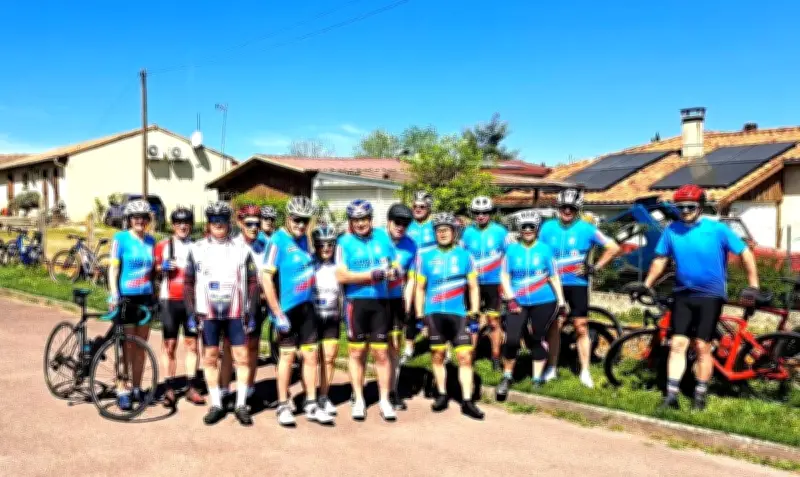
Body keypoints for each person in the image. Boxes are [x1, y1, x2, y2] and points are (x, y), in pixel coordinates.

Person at [642, 184, 759, 411]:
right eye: (680, 207)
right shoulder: (671, 230)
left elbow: (745, 252)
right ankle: (672, 396)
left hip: (710, 295)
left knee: (702, 345)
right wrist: (646, 284)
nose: (684, 211)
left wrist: (753, 284)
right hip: (682, 294)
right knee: (677, 343)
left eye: (690, 206)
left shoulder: (717, 229)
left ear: (700, 206)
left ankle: (700, 396)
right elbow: (660, 260)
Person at [183, 201, 259, 426]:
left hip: (236, 313)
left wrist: (252, 311)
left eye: (222, 220)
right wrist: (190, 312)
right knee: (210, 358)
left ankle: (241, 404)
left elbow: (253, 282)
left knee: (242, 358)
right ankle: (216, 403)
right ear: (208, 223)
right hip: (208, 314)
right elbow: (188, 282)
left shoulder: (241, 249)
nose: (218, 224)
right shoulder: (196, 248)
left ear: (228, 223)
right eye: (214, 220)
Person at [539, 188, 619, 388]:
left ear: (578, 209)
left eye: (572, 208)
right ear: (558, 208)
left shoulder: (587, 229)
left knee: (581, 326)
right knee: (554, 326)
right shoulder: (547, 227)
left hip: (577, 284)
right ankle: (551, 368)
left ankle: (584, 371)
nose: (567, 211)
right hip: (552, 284)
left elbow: (614, 247)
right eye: (564, 207)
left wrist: (594, 268)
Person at [263, 196, 332, 427]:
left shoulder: (305, 240)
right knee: (287, 357)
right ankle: (283, 405)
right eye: (296, 220)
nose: (301, 225)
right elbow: (265, 278)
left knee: (311, 356)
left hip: (307, 308)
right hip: (287, 310)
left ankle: (311, 403)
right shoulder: (277, 241)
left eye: (305, 221)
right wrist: (277, 312)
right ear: (287, 217)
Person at [415, 212, 484, 419]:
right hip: (434, 313)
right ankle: (442, 394)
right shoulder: (426, 257)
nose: (442, 233)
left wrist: (474, 311)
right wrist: (420, 316)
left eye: (446, 230)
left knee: (465, 356)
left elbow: (473, 286)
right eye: (438, 230)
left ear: (454, 232)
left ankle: (467, 400)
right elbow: (420, 288)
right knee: (437, 355)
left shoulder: (465, 256)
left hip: (459, 314)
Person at [336, 199, 400, 422]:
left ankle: (384, 400)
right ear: (350, 222)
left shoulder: (383, 237)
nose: (360, 223)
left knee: (382, 353)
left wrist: (393, 271)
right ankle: (359, 398)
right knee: (356, 353)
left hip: (381, 302)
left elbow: (395, 264)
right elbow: (341, 275)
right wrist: (371, 275)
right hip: (356, 303)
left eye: (364, 219)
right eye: (355, 220)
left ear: (370, 219)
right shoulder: (343, 242)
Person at [496, 211, 565, 399]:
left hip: (544, 300)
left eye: (531, 227)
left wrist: (561, 300)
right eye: (524, 227)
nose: (527, 230)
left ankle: (536, 378)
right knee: (511, 339)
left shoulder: (545, 249)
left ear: (537, 229)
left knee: (537, 337)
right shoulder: (511, 250)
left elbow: (553, 275)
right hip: (517, 301)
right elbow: (504, 276)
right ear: (519, 229)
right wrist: (511, 298)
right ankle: (507, 375)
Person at [107, 199, 157, 411]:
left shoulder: (151, 241)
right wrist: (113, 294)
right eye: (136, 217)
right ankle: (122, 388)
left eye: (143, 218)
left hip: (145, 298)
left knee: (141, 347)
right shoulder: (120, 239)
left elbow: (154, 271)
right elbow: (113, 269)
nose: (140, 221)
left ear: (148, 220)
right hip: (126, 297)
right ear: (129, 220)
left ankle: (137, 387)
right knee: (127, 347)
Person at [154, 207, 205, 408]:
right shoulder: (163, 245)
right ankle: (169, 388)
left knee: (192, 344)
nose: (182, 226)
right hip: (169, 301)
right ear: (173, 225)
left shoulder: (199, 246)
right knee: (170, 345)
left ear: (191, 225)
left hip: (191, 302)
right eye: (178, 223)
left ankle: (191, 386)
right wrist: (162, 268)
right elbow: (154, 269)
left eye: (186, 223)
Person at [460, 196, 512, 370]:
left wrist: (507, 281)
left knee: (493, 321)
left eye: (485, 212)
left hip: (493, 282)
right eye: (477, 213)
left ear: (490, 213)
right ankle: (471, 355)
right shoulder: (467, 232)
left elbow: (509, 256)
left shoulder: (500, 232)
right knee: (472, 320)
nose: (481, 216)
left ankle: (496, 357)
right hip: (472, 284)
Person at [231, 204, 271, 405]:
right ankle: (231, 390)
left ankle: (250, 388)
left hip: (257, 303)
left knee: (253, 346)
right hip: (236, 304)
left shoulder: (264, 246)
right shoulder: (232, 245)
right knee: (238, 349)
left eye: (257, 224)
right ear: (240, 223)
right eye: (249, 224)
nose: (254, 228)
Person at [383, 203, 417, 411]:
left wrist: (407, 303)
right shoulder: (376, 238)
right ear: (388, 221)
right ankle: (358, 391)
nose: (401, 227)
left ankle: (391, 391)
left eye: (405, 224)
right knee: (372, 346)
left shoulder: (411, 245)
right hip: (373, 299)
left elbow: (411, 278)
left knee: (394, 346)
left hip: (396, 300)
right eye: (397, 222)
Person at [311, 223, 342, 418]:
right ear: (315, 245)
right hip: (311, 318)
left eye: (329, 245)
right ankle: (310, 397)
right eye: (321, 245)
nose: (325, 249)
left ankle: (324, 396)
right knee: (311, 359)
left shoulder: (340, 265)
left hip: (332, 316)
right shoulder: (309, 264)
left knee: (329, 358)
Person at [402, 190, 435, 362]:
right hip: (412, 273)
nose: (418, 209)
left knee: (436, 309)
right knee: (410, 311)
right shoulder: (407, 226)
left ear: (429, 208)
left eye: (422, 207)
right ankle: (409, 348)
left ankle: (443, 347)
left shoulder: (435, 225)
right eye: (415, 206)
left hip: (432, 274)